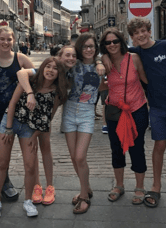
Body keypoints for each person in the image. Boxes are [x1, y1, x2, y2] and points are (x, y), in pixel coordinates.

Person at [104, 17, 166, 214]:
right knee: (160, 144)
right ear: (132, 37)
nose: (141, 35)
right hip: (156, 106)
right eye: (136, 33)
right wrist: (101, 59)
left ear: (149, 30)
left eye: (143, 31)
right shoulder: (136, 52)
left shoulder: (165, 46)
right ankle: (156, 186)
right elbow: (112, 51)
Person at [0, 57, 68, 219]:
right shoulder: (30, 81)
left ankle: (28, 201)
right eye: (48, 66)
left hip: (30, 128)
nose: (50, 70)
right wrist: (9, 128)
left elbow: (48, 118)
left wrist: (36, 135)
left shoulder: (56, 92)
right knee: (3, 163)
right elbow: (12, 104)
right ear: (42, 68)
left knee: (30, 165)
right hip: (11, 121)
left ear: (59, 73)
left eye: (55, 68)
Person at [15, 45, 79, 206]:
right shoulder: (41, 72)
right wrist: (30, 92)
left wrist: (40, 129)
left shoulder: (60, 85)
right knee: (32, 152)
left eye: (73, 56)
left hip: (44, 121)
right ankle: (37, 185)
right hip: (29, 118)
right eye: (66, 55)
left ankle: (50, 186)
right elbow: (22, 73)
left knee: (45, 149)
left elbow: (51, 112)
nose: (70, 58)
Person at [0, 27, 35, 205]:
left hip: (13, 112)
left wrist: (27, 81)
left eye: (9, 39)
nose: (5, 42)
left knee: (1, 151)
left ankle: (3, 182)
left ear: (14, 40)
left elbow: (37, 73)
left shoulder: (20, 58)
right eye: (2, 39)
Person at [99, 27, 149, 205]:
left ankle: (140, 186)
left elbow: (146, 80)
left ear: (121, 42)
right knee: (117, 148)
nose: (112, 45)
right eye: (108, 43)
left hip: (136, 109)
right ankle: (119, 185)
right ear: (104, 46)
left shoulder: (133, 58)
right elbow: (98, 87)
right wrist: (101, 64)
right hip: (114, 111)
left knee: (137, 148)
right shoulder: (103, 64)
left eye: (115, 41)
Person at [62, 33, 102, 214]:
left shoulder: (101, 65)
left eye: (91, 46)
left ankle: (84, 196)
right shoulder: (73, 64)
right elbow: (57, 63)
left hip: (87, 112)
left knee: (80, 157)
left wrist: (100, 61)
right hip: (69, 111)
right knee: (72, 157)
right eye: (85, 46)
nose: (88, 49)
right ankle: (85, 187)